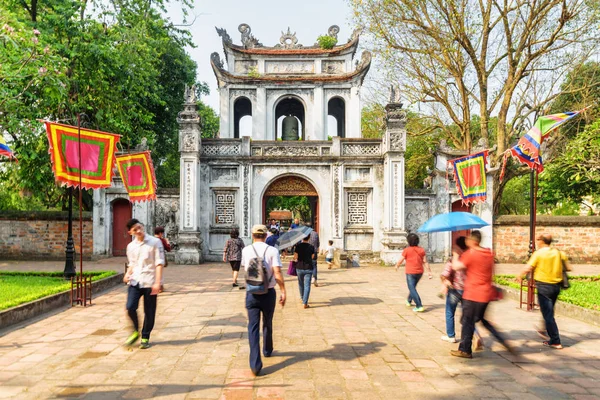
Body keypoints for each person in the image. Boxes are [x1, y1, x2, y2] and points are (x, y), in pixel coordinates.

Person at [450, 230, 513, 359]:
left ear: (473, 241)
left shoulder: (471, 253)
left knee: (467, 322)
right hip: (486, 294)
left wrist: (455, 254)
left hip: (472, 293)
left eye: (468, 239)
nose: (466, 241)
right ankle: (504, 341)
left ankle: (465, 350)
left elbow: (456, 267)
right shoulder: (488, 253)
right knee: (482, 321)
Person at [241, 224, 286, 376]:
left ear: (252, 235)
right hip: (268, 292)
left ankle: (255, 364)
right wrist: (283, 291)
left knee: (252, 327)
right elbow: (278, 273)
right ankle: (267, 349)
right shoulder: (272, 250)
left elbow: (245, 268)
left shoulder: (246, 250)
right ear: (266, 236)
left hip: (251, 293)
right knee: (267, 321)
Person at [518, 233, 569, 350]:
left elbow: (529, 267)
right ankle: (549, 336)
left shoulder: (539, 253)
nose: (537, 241)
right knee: (549, 312)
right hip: (556, 286)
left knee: (548, 314)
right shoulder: (558, 253)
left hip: (544, 287)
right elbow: (568, 267)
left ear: (541, 241)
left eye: (538, 239)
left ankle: (556, 340)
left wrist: (520, 275)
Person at [124, 219, 164, 349]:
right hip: (135, 280)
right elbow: (132, 263)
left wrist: (157, 283)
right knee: (130, 307)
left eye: (140, 227)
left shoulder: (155, 242)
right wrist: (127, 273)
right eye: (135, 230)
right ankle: (136, 330)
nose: (139, 231)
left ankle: (145, 336)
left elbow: (159, 263)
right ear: (130, 232)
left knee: (149, 311)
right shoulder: (131, 246)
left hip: (150, 281)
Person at [395, 233, 432, 312]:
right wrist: (429, 271)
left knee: (412, 288)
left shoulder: (407, 250)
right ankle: (408, 300)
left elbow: (401, 259)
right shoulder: (421, 250)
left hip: (410, 272)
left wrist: (397, 265)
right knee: (413, 287)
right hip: (419, 272)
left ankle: (419, 305)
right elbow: (425, 261)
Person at [294, 235, 315, 308]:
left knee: (300, 283)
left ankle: (302, 297)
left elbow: (295, 257)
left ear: (302, 238)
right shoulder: (311, 247)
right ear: (309, 238)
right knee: (307, 285)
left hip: (299, 267)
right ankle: (305, 302)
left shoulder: (298, 246)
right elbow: (312, 257)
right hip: (308, 267)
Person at [154, 226, 171, 292]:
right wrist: (168, 242)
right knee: (160, 272)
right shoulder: (161, 240)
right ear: (160, 233)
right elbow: (168, 248)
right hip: (160, 258)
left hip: (152, 258)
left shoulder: (151, 239)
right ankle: (160, 286)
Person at [306, 222, 320, 287]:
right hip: (314, 252)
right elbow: (318, 243)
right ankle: (315, 278)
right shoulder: (316, 233)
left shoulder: (305, 234)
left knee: (307, 265)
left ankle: (308, 279)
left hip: (307, 252)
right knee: (314, 266)